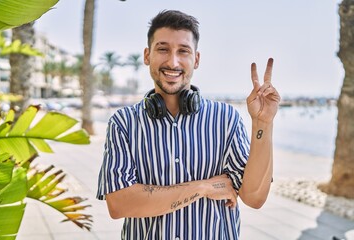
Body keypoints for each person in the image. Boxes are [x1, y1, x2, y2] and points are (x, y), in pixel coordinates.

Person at [97, 9, 280, 240]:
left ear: (196, 59)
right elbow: (119, 203)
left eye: (183, 51)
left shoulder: (225, 118)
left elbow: (254, 198)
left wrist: (262, 123)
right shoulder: (123, 123)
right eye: (163, 49)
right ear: (147, 55)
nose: (173, 62)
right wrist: (203, 187)